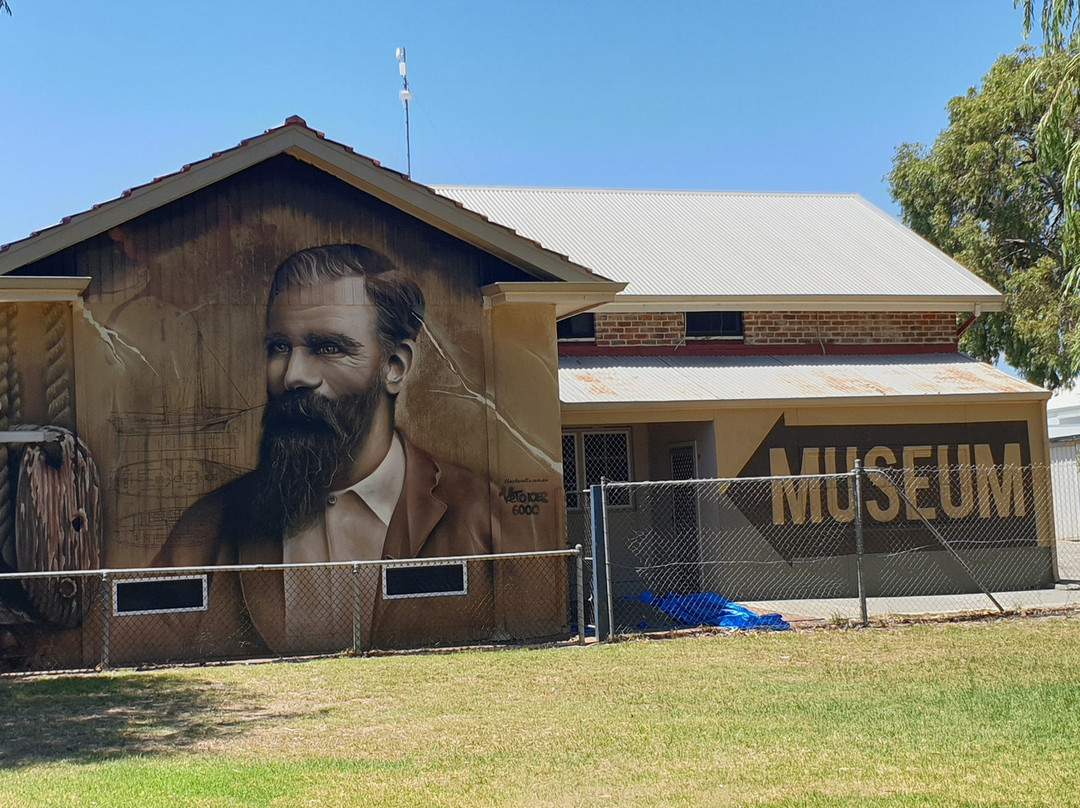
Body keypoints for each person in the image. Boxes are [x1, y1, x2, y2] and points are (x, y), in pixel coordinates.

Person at [153, 244, 499, 653]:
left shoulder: (481, 517)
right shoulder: (206, 531)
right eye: (279, 347)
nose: (293, 376)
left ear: (395, 366)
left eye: (328, 347)